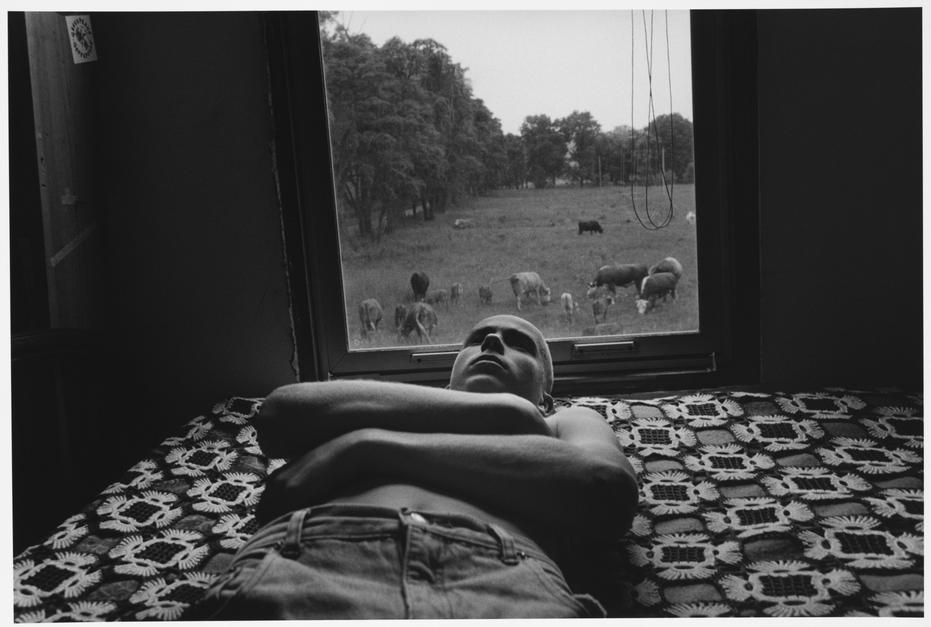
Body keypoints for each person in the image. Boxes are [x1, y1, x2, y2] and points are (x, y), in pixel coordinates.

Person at [195, 314, 638, 619]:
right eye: (477, 338)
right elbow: (278, 415)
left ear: (546, 398)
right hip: (309, 564)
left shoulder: (564, 421)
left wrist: (367, 447)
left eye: (519, 344)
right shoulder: (406, 404)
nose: (491, 343)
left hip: (501, 581)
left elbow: (605, 490)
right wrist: (508, 414)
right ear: (447, 380)